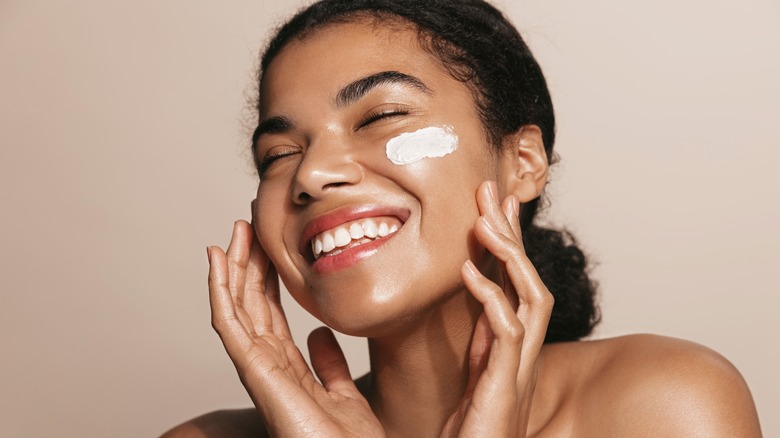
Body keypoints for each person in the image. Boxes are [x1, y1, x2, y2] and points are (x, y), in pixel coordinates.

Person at [163, 0, 761, 436]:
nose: (312, 174)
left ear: (522, 162)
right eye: (279, 153)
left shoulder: (662, 406)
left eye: (382, 115)